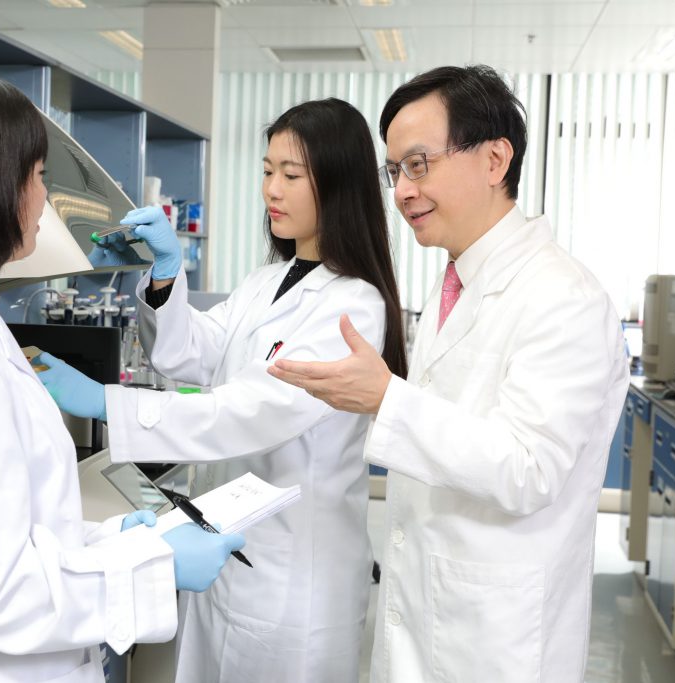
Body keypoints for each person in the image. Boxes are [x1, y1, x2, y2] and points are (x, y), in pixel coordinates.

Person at [0, 68, 244, 683]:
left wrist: (113, 540)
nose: (45, 200)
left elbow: (7, 531)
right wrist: (153, 568)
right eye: (38, 177)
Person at [268, 66, 630, 683]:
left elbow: (528, 468)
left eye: (419, 163)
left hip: (497, 640)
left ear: (494, 159)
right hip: (427, 610)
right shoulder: (452, 281)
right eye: (394, 172)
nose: (404, 190)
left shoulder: (563, 297)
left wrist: (389, 401)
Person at [37, 98, 408, 682]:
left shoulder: (352, 304)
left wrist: (108, 404)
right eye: (266, 171)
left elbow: (249, 412)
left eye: (291, 174)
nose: (272, 190)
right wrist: (163, 273)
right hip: (230, 552)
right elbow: (195, 352)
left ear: (338, 184)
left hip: (295, 576)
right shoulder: (266, 283)